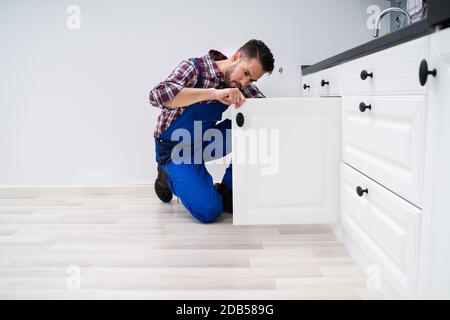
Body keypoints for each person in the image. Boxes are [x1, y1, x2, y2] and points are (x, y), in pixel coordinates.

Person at [148, 39, 274, 223]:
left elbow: (267, 113)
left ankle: (228, 191)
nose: (245, 82)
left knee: (252, 129)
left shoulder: (240, 84)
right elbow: (156, 96)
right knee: (210, 212)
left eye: (251, 79)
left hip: (204, 141)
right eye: (245, 73)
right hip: (175, 149)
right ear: (236, 57)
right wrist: (213, 94)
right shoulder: (194, 68)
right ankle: (168, 178)